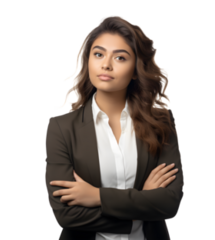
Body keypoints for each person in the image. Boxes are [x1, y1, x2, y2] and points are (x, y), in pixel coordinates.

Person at [43, 15, 184, 240]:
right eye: (98, 54)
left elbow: (169, 203)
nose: (106, 64)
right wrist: (143, 200)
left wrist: (98, 196)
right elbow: (66, 214)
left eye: (120, 57)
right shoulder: (61, 127)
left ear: (136, 69)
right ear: (88, 60)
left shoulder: (161, 121)